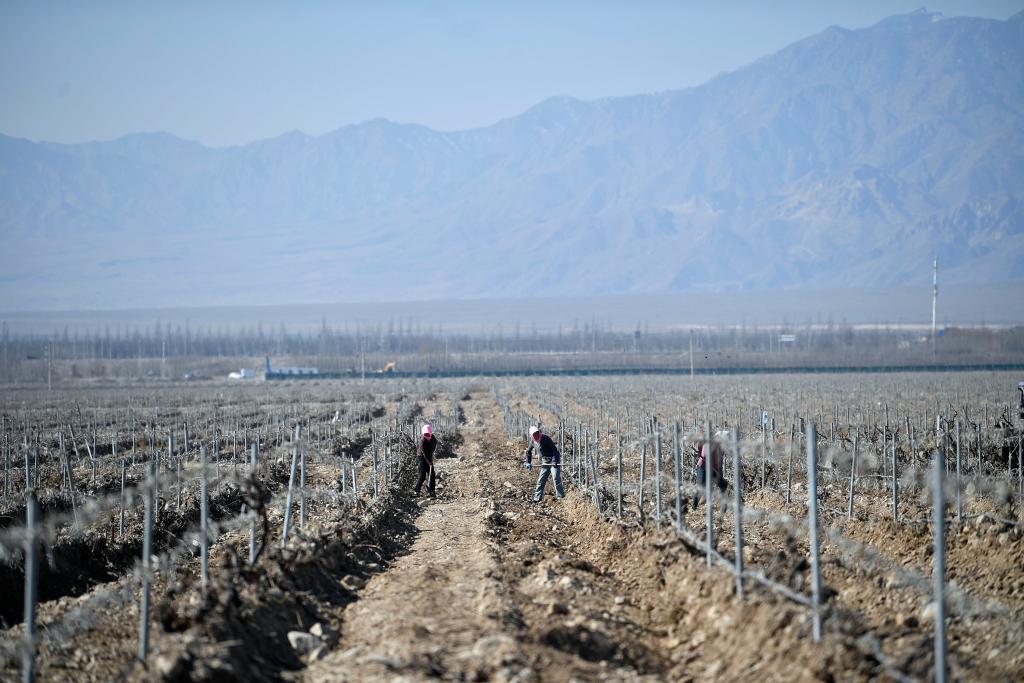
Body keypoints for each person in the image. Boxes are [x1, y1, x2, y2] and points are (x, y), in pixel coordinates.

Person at [524, 425, 564, 503]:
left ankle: (560, 496)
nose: (536, 435)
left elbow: (555, 450)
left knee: (556, 477)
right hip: (545, 462)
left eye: (537, 433)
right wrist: (528, 462)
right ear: (531, 436)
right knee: (541, 480)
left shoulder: (546, 439)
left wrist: (555, 461)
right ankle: (537, 498)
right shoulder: (533, 442)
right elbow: (528, 452)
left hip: (553, 461)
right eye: (534, 434)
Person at [414, 423, 437, 497]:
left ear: (431, 433)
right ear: (423, 433)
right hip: (421, 458)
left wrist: (431, 457)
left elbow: (433, 447)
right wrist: (430, 462)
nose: (427, 435)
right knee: (422, 475)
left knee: (432, 474)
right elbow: (424, 453)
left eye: (428, 434)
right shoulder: (422, 441)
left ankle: (432, 491)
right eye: (425, 434)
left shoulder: (433, 438)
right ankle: (416, 491)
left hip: (428, 456)